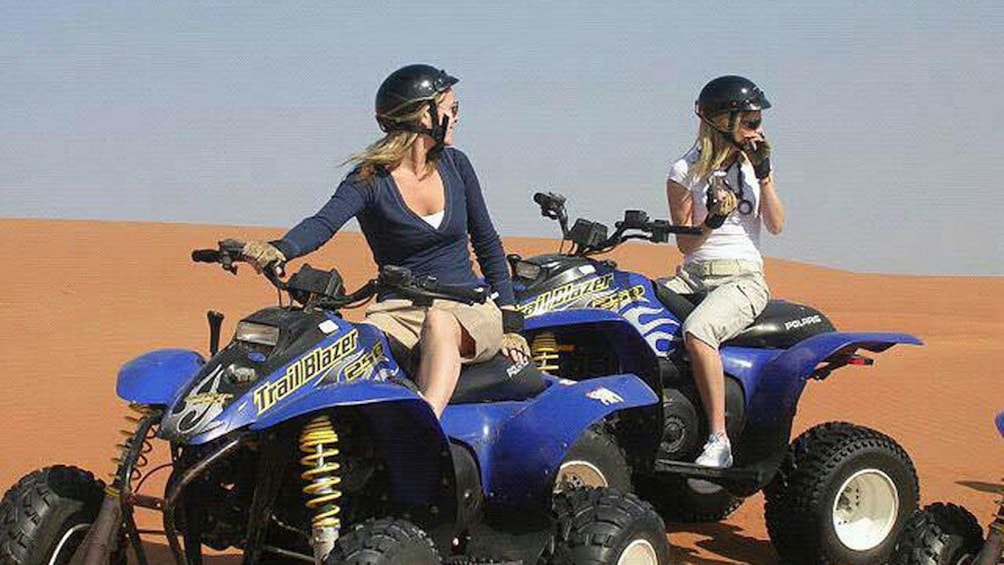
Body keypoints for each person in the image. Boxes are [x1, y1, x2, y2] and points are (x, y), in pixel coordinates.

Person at [240, 63, 530, 419]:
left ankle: (425, 427)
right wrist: (280, 248)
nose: (456, 118)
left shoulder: (457, 166)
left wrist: (510, 320)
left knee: (440, 322)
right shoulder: (370, 179)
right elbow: (324, 222)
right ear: (424, 116)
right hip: (399, 312)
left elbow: (487, 243)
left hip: (467, 307)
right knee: (350, 345)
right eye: (451, 109)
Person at [662, 75, 785, 488]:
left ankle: (719, 438)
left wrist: (764, 176)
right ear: (721, 120)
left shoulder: (754, 169)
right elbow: (684, 244)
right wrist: (712, 219)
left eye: (758, 122)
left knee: (699, 332)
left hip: (743, 279)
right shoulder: (683, 172)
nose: (757, 131)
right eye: (749, 122)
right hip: (694, 275)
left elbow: (777, 223)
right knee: (632, 302)